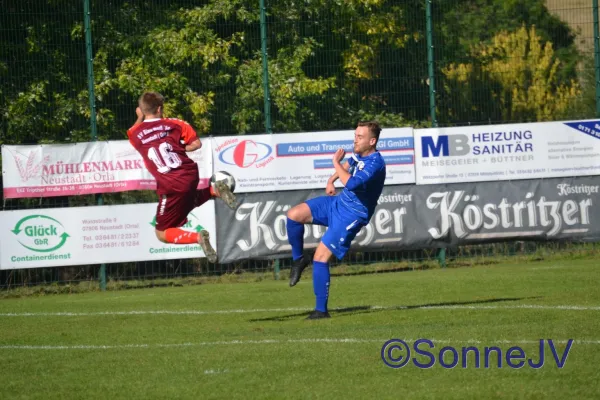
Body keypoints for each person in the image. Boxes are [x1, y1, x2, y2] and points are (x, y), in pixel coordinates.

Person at [286, 121, 387, 319]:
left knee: (320, 257)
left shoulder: (376, 163)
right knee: (293, 216)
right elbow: (350, 163)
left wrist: (334, 163)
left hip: (352, 215)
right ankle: (298, 259)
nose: (355, 140)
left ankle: (321, 311)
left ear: (372, 141)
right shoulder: (360, 154)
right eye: (355, 135)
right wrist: (331, 179)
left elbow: (351, 182)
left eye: (360, 137)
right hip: (338, 203)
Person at [127, 91, 236, 263]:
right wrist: (178, 148)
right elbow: (196, 144)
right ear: (160, 108)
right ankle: (214, 190)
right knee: (187, 201)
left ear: (140, 110)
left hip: (170, 184)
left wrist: (140, 117)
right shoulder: (175, 124)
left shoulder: (135, 134)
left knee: (162, 233)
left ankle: (199, 238)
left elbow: (132, 131)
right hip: (190, 174)